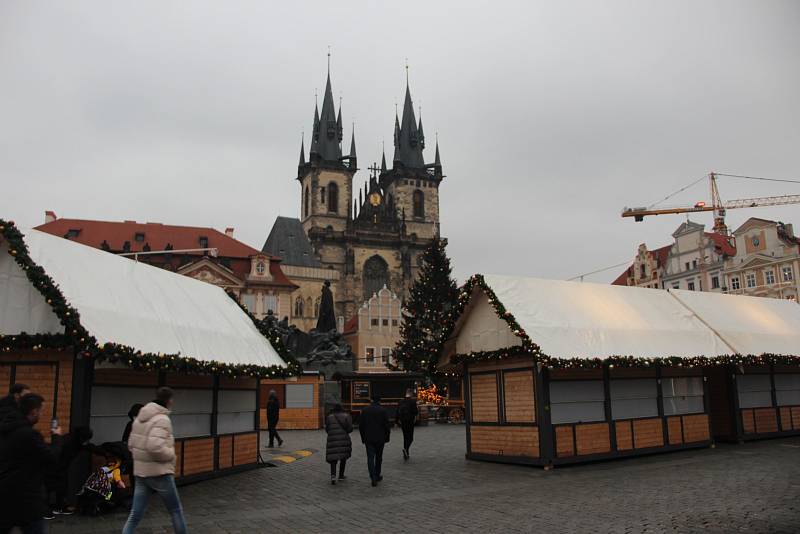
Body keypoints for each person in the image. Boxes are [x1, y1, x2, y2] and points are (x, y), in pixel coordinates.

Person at [122, 387, 187, 534]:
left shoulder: (140, 417)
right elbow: (155, 447)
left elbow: (131, 444)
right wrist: (171, 454)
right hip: (160, 473)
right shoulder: (162, 419)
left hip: (140, 473)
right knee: (176, 511)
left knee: (135, 515)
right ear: (169, 401)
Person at [0, 393, 63, 534]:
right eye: (40, 411)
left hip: (4, 494)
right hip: (26, 498)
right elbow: (51, 457)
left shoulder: (5, 430)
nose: (40, 415)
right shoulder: (29, 435)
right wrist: (57, 437)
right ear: (34, 411)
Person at [358, 395, 391, 487]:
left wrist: (363, 438)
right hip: (380, 438)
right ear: (379, 401)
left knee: (370, 457)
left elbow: (361, 426)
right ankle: (377, 474)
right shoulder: (383, 410)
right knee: (379, 457)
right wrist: (387, 437)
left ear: (371, 400)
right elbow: (387, 426)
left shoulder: (365, 410)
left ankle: (372, 476)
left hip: (368, 438)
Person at [324, 404, 353, 485]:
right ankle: (341, 475)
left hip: (332, 439)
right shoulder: (346, 416)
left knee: (333, 458)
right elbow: (350, 429)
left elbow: (327, 429)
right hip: (344, 440)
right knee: (343, 457)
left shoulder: (329, 417)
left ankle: (333, 476)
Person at [396, 389, 419, 461]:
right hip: (410, 421)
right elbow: (415, 411)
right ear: (411, 394)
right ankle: (406, 449)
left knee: (405, 437)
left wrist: (397, 421)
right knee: (411, 438)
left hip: (403, 421)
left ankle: (407, 453)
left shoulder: (400, 401)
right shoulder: (412, 401)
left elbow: (397, 411)